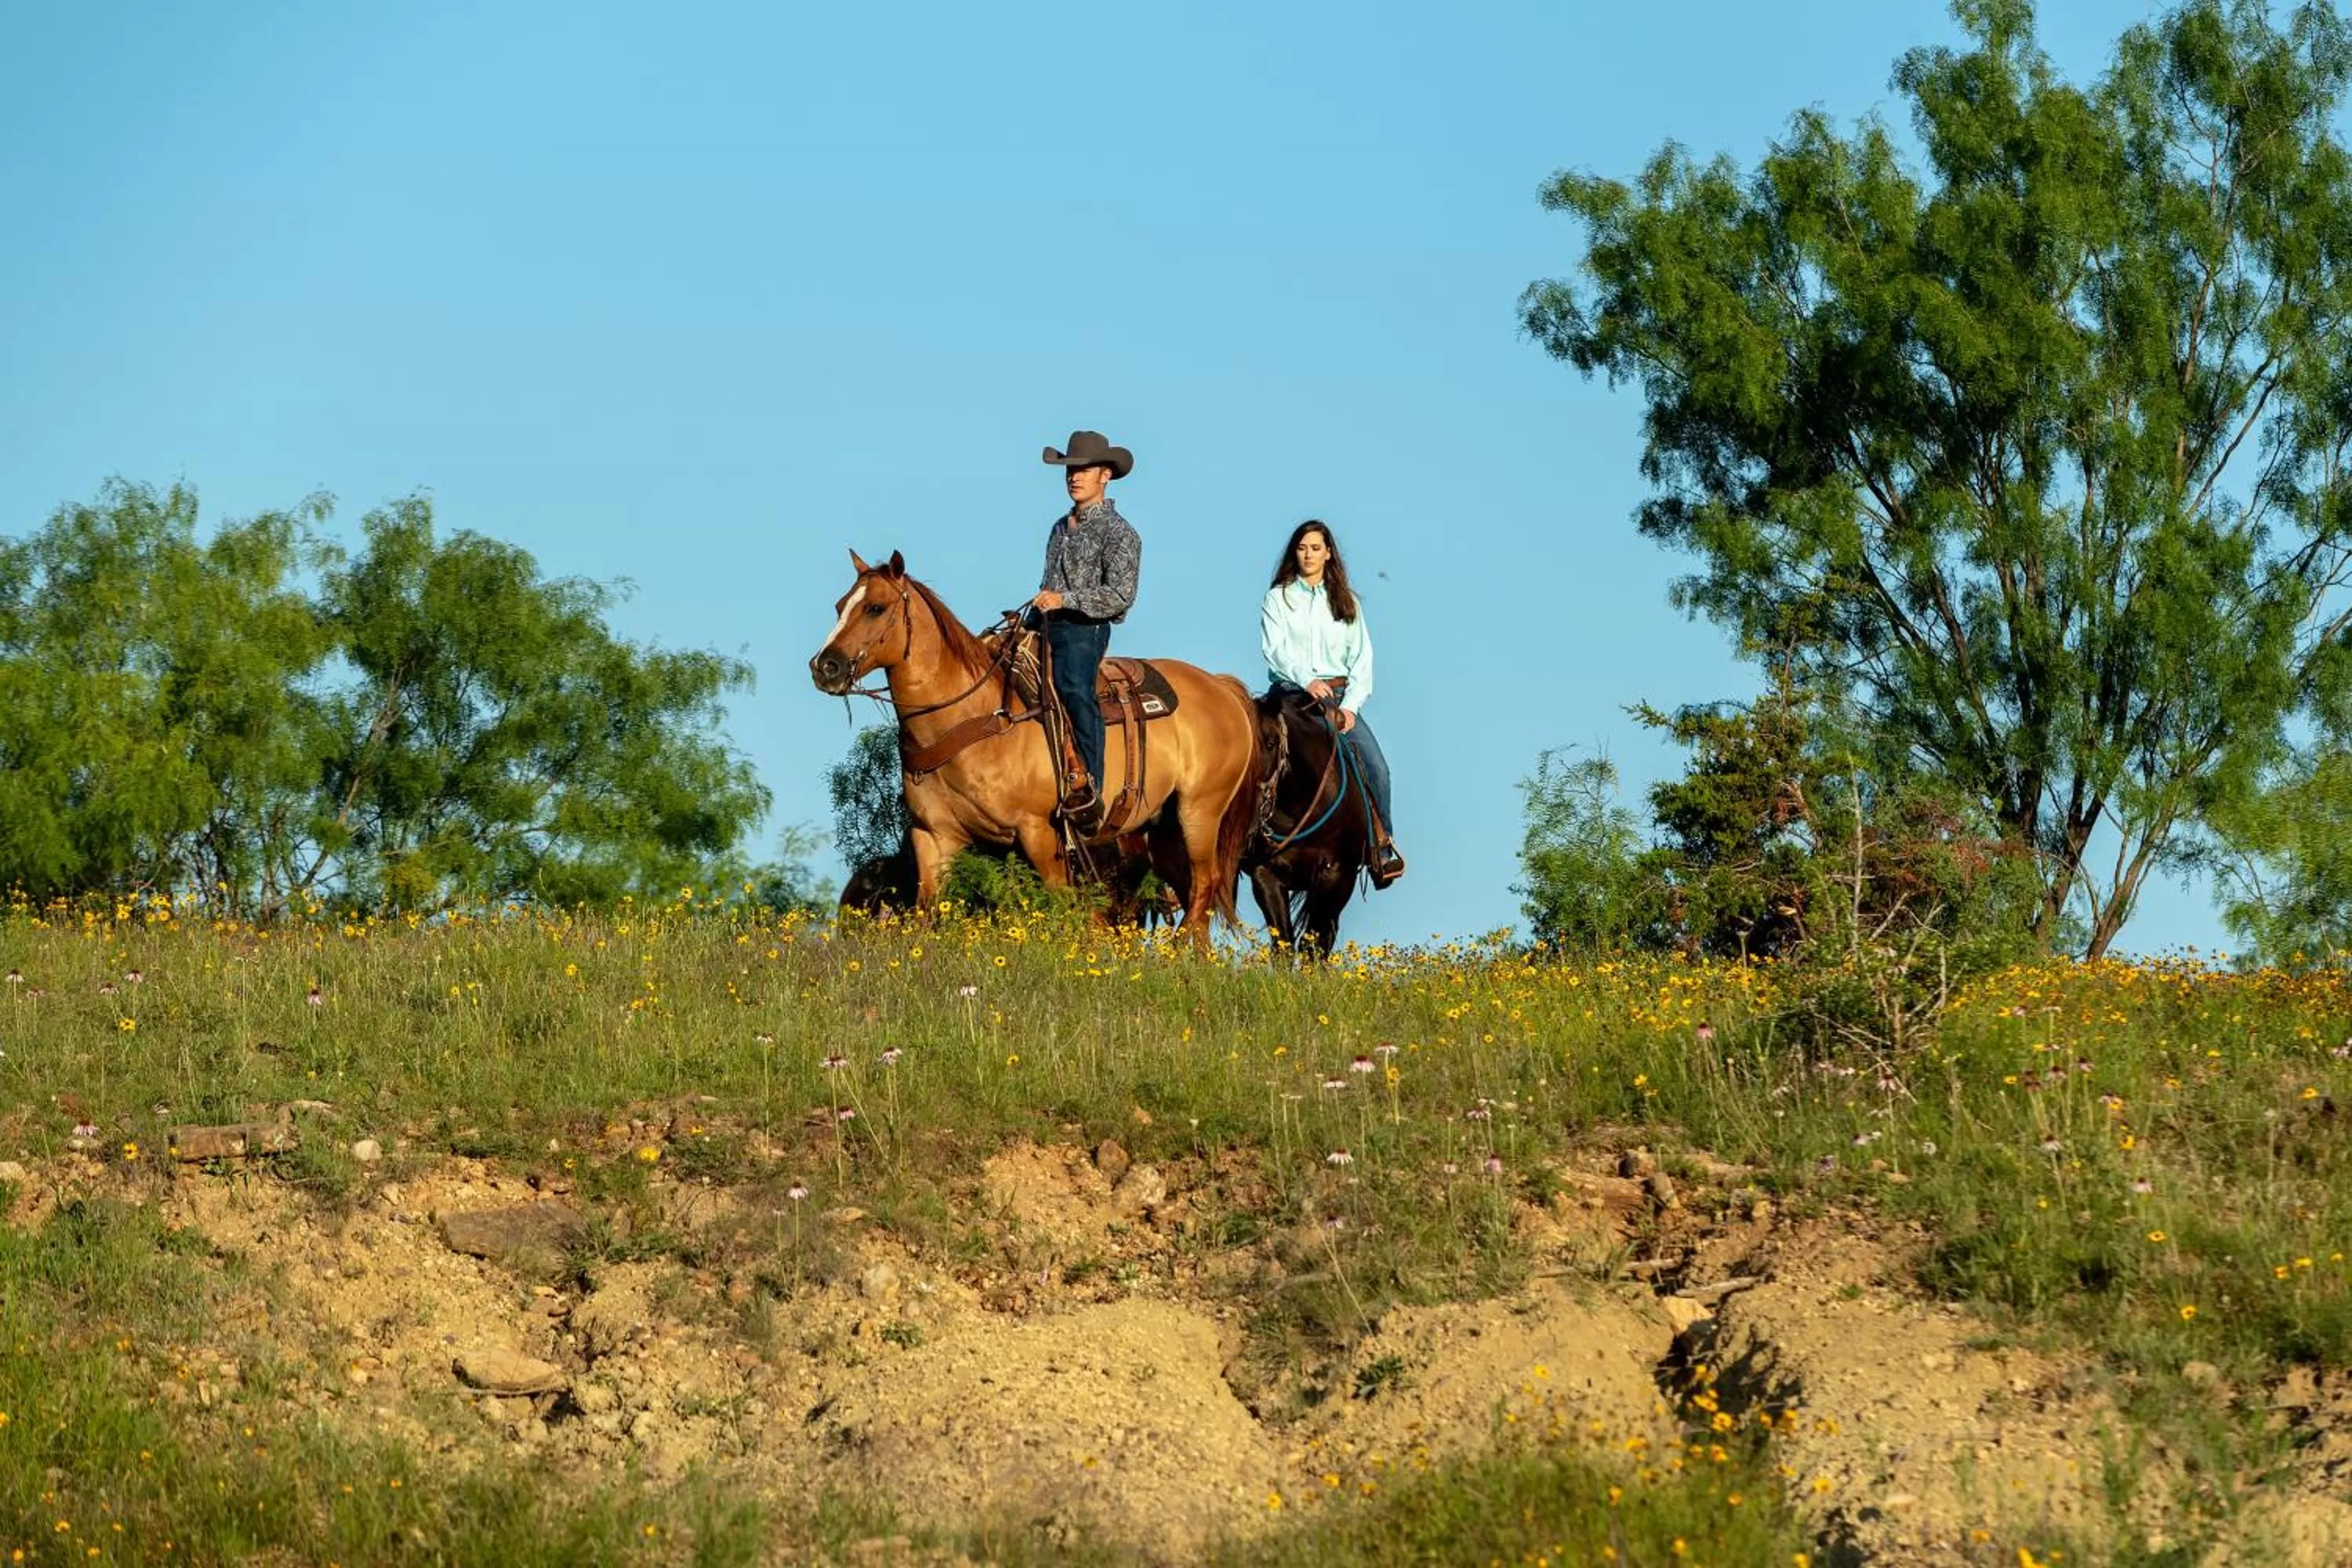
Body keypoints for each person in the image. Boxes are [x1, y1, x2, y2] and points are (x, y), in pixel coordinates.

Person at [1259, 519, 1405, 887]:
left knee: (1379, 768)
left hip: (1339, 698)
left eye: (1315, 549)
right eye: (1302, 548)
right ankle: (1241, 838)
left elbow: (1363, 658)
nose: (1308, 555)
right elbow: (1273, 650)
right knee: (1254, 752)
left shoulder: (1345, 601)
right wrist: (1305, 679)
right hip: (1291, 694)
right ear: (1295, 552)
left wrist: (1352, 706)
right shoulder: (1279, 597)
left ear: (1328, 554)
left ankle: (1381, 845)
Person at [1032, 430, 1142, 823]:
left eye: (1083, 469)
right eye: (1069, 470)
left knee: (1075, 688)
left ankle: (1090, 788)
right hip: (1047, 623)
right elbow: (1049, 581)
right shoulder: (1060, 528)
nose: (1074, 477)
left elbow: (1120, 596)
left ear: (1105, 475)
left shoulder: (1120, 533)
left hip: (1085, 630)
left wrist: (1066, 600)